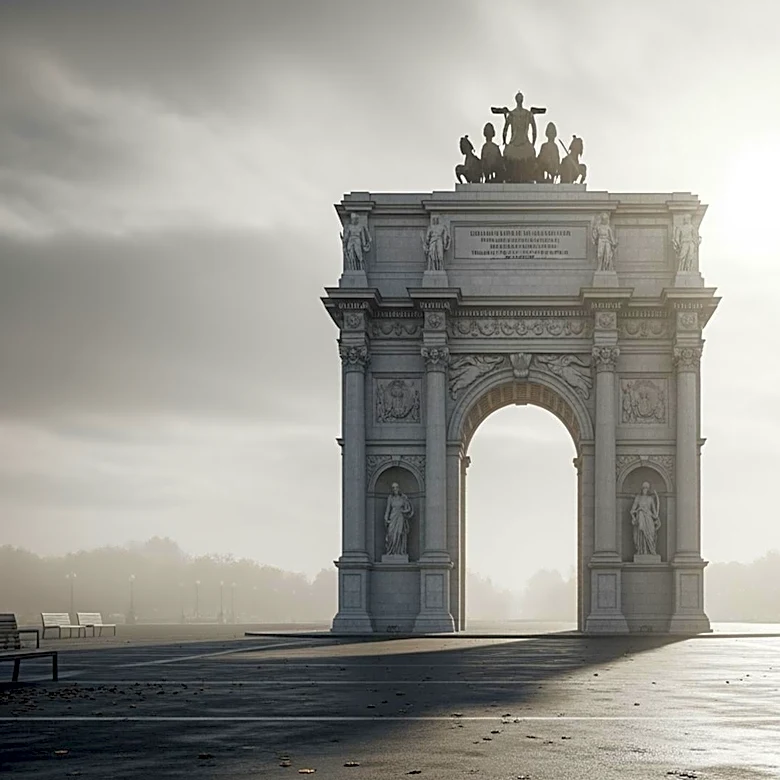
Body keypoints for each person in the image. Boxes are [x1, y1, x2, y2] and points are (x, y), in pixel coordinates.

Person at [500, 92, 538, 182]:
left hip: (520, 143)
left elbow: (504, 130)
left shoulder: (520, 114)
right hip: (519, 144)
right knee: (508, 154)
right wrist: (533, 143)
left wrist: (504, 141)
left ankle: (526, 175)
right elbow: (534, 130)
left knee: (508, 154)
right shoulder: (517, 114)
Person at [630, 482, 661, 556]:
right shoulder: (638, 498)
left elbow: (654, 511)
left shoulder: (650, 499)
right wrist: (636, 514)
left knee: (651, 533)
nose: (645, 489)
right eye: (644, 488)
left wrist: (656, 516)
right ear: (642, 488)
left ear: (648, 489)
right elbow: (632, 510)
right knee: (641, 532)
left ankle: (651, 550)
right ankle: (641, 550)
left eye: (646, 488)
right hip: (641, 518)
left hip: (649, 518)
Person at [384, 483, 414, 556]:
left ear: (399, 488)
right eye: (393, 488)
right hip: (393, 517)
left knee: (399, 533)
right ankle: (391, 551)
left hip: (400, 517)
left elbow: (409, 509)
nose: (395, 489)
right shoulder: (390, 498)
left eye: (396, 487)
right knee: (391, 534)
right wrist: (386, 518)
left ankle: (399, 552)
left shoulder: (403, 498)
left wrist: (403, 511)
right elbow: (388, 509)